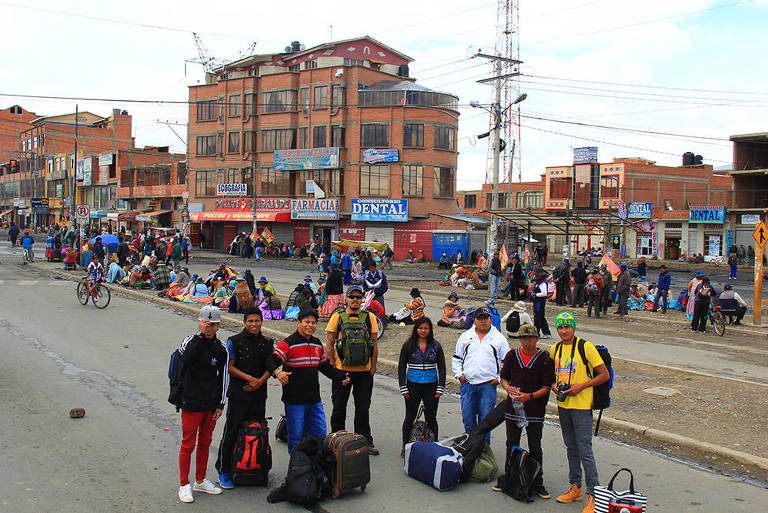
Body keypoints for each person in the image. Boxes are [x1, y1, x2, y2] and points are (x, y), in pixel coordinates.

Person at [266, 309, 351, 453]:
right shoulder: (289, 343)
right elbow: (270, 361)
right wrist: (278, 372)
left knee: (320, 433)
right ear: (299, 323)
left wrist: (341, 376)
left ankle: (315, 465)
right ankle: (297, 468)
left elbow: (324, 367)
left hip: (314, 399)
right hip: (294, 400)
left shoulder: (317, 344)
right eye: (306, 322)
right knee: (296, 437)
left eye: (313, 323)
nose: (310, 325)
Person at [549, 312, 609, 513]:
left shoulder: (586, 347)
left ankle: (594, 495)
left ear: (573, 328)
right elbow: (551, 375)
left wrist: (581, 386)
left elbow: (604, 375)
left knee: (585, 450)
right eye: (560, 327)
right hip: (564, 405)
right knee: (571, 447)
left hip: (582, 405)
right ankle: (575, 486)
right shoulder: (555, 349)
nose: (564, 331)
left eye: (567, 327)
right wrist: (554, 385)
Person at [215, 307, 274, 489]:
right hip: (239, 394)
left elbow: (270, 365)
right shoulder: (234, 342)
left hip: (259, 394)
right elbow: (230, 367)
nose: (254, 324)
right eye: (250, 321)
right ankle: (224, 469)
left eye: (257, 321)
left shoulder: (267, 342)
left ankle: (255, 467)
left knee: (257, 431)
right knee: (232, 431)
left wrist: (259, 382)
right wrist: (251, 380)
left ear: (261, 322)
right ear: (244, 322)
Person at [496, 324, 555, 499]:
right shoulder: (512, 355)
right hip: (513, 407)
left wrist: (529, 396)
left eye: (530, 338)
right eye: (523, 338)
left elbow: (546, 387)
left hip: (535, 409)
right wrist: (508, 388)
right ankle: (510, 478)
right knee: (511, 444)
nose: (527, 341)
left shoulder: (545, 359)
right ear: (519, 339)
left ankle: (538, 482)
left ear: (537, 338)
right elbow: (503, 377)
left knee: (535, 446)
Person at [176, 305, 228, 503]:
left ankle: (200, 479)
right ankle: (184, 484)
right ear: (199, 322)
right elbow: (181, 367)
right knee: (188, 444)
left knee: (205, 442)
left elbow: (223, 376)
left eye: (213, 324)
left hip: (210, 402)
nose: (208, 327)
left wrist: (220, 404)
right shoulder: (189, 342)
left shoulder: (221, 348)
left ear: (218, 326)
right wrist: (179, 397)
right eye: (205, 323)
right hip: (190, 401)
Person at [326, 285, 380, 454]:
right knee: (339, 407)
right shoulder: (338, 316)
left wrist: (373, 366)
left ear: (362, 299)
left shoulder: (369, 317)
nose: (355, 300)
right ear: (346, 299)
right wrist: (333, 367)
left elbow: (374, 344)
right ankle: (336, 440)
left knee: (363, 408)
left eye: (358, 297)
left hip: (364, 372)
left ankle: (364, 440)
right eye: (352, 297)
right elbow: (329, 343)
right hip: (342, 371)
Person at [452, 306, 510, 443]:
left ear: (490, 320)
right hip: (468, 384)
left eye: (486, 318)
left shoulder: (499, 338)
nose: (483, 321)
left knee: (486, 421)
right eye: (480, 318)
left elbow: (507, 362)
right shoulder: (466, 336)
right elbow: (457, 358)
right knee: (468, 418)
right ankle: (469, 449)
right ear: (474, 320)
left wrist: (499, 378)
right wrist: (459, 375)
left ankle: (484, 452)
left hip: (488, 385)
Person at [397, 317, 446, 456]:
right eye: (421, 328)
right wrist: (403, 387)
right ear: (416, 329)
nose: (423, 331)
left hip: (431, 385)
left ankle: (434, 445)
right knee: (410, 416)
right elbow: (401, 367)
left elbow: (442, 367)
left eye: (426, 328)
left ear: (430, 330)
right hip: (413, 385)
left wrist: (440, 386)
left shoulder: (436, 346)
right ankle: (405, 446)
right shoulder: (408, 345)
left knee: (431, 418)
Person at [531, 267, 552, 338]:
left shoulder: (542, 283)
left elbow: (544, 293)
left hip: (539, 303)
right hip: (537, 302)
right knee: (540, 317)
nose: (536, 276)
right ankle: (546, 332)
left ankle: (537, 333)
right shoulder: (539, 282)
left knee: (538, 318)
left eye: (537, 275)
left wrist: (535, 294)